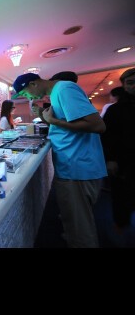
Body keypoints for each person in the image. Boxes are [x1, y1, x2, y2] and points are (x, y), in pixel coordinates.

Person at [12, 72, 107, 247]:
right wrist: (45, 116)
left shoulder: (64, 89)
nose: (29, 97)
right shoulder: (57, 93)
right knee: (74, 221)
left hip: (77, 167)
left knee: (80, 229)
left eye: (26, 93)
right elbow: (65, 125)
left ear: (33, 84)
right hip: (71, 166)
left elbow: (98, 125)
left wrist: (54, 121)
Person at [101, 68, 135, 239]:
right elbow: (107, 137)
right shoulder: (115, 110)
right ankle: (121, 229)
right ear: (124, 86)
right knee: (121, 197)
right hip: (123, 161)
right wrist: (110, 159)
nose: (134, 86)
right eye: (130, 83)